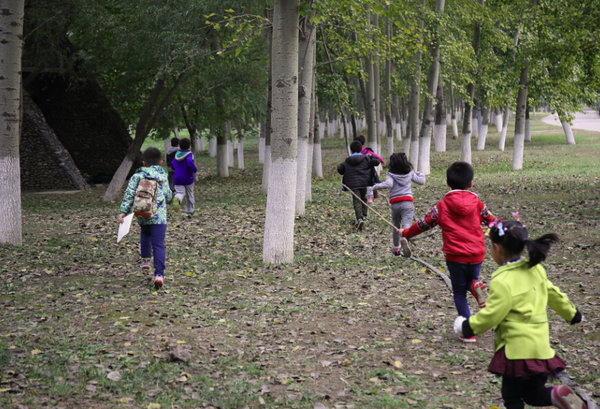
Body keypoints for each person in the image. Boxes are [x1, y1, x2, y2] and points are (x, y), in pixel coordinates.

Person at [454, 220, 586, 409]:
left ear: (496, 248)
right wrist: (573, 314)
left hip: (516, 352)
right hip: (540, 349)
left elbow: (492, 315)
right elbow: (554, 294)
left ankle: (555, 395)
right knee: (534, 394)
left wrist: (467, 327)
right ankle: (557, 394)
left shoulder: (503, 280)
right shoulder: (536, 269)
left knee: (512, 397)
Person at [399, 161, 495, 341]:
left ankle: (469, 333)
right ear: (471, 183)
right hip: (477, 254)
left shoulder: (441, 206)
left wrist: (405, 232)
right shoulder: (478, 204)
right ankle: (475, 285)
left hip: (455, 256)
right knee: (470, 280)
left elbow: (423, 224)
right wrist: (510, 227)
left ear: (448, 183)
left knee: (459, 291)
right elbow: (492, 221)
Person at [118, 147, 172, 289]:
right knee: (159, 244)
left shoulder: (137, 176)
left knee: (145, 233)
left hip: (142, 214)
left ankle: (146, 260)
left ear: (143, 162)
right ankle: (159, 275)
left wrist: (123, 211)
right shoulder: (162, 176)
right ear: (160, 162)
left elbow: (129, 195)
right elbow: (168, 195)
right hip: (159, 217)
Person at [372, 152, 425, 256]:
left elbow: (388, 184)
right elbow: (421, 181)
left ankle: (396, 249)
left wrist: (374, 187)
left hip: (395, 204)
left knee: (396, 226)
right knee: (406, 226)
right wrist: (420, 173)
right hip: (407, 203)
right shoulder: (410, 173)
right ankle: (405, 240)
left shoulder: (390, 174)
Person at [337, 140, 381, 230]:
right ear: (361, 149)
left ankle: (359, 219)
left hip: (353, 184)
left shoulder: (348, 160)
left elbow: (340, 169)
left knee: (356, 200)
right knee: (363, 198)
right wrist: (371, 155)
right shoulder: (366, 158)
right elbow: (377, 162)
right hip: (364, 182)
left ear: (351, 150)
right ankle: (364, 216)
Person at [171, 137, 197, 216]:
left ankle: (178, 198)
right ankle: (190, 210)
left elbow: (172, 164)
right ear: (189, 146)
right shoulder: (189, 154)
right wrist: (195, 170)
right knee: (189, 193)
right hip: (188, 177)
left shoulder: (177, 154)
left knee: (180, 192)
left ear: (179, 146)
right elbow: (189, 162)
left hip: (177, 178)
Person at [355, 135, 384, 204]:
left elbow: (376, 156)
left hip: (368, 172)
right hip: (360, 172)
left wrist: (382, 161)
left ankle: (369, 197)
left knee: (369, 183)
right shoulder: (356, 152)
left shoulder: (367, 152)